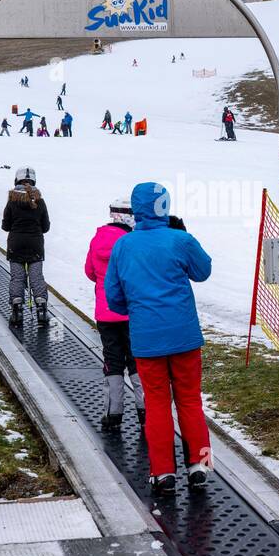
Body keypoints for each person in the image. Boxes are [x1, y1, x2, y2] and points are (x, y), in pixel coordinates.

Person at [104, 182, 213, 494]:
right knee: (190, 400)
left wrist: (138, 306)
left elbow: (113, 298)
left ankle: (163, 472)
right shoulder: (180, 240)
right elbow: (203, 271)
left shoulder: (123, 246)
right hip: (185, 337)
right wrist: (184, 235)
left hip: (147, 339)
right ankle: (200, 464)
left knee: (157, 404)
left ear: (137, 210)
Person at [85, 197, 144, 430]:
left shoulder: (97, 238)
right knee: (137, 361)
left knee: (112, 361)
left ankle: (112, 413)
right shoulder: (131, 242)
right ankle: (144, 412)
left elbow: (89, 271)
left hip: (105, 313)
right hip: (130, 313)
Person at [2, 166, 51, 326]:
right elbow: (45, 227)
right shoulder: (39, 200)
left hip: (15, 244)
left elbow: (5, 225)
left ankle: (17, 310)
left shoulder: (12, 200)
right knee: (36, 277)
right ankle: (42, 309)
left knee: (17, 277)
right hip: (35, 244)